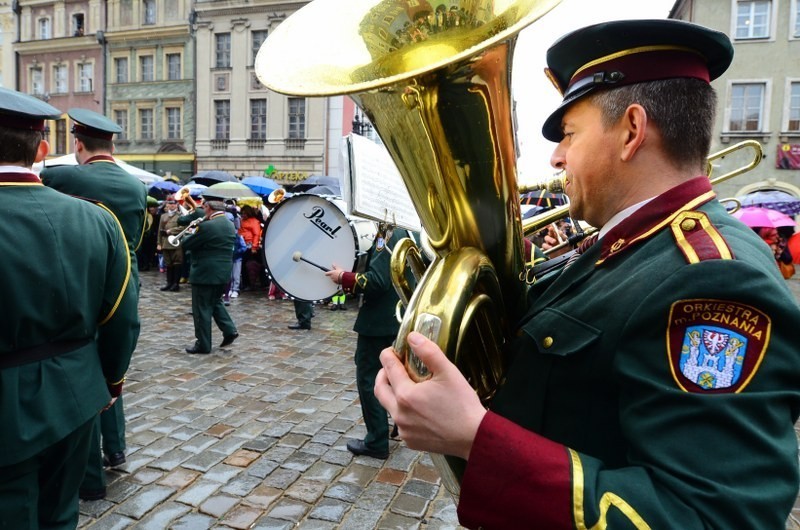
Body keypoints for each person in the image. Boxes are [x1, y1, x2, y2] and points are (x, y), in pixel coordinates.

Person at [374, 19, 800, 529]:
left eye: (569, 135)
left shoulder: (712, 283)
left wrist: (475, 436)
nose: (556, 157)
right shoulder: (628, 247)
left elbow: (710, 516)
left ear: (632, 131)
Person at [0, 88, 138, 527]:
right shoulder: (99, 220)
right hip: (78, 392)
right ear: (42, 150)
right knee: (61, 515)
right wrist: (110, 382)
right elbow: (121, 318)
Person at [41, 107, 147, 501]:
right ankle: (116, 447)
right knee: (111, 372)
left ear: (78, 144)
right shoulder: (137, 186)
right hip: (125, 287)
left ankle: (88, 473)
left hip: (79, 287)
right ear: (113, 144)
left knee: (84, 373)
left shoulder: (63, 176)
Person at [325, 225, 414, 459]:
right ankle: (397, 425)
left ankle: (376, 441)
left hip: (379, 322)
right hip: (397, 318)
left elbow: (377, 281)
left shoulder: (388, 233)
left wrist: (344, 277)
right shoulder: (408, 230)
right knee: (394, 377)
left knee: (369, 379)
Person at [180, 196, 239, 354]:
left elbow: (187, 244)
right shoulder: (229, 224)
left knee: (201, 309)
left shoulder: (207, 226)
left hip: (205, 272)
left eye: (204, 208)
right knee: (215, 302)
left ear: (209, 208)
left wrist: (189, 233)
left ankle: (203, 344)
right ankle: (229, 330)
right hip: (222, 272)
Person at [157, 194, 184, 291]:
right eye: (170, 203)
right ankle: (169, 283)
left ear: (177, 205)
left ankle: (176, 284)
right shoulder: (163, 216)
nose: (172, 205)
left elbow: (183, 228)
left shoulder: (181, 216)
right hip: (165, 243)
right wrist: (159, 243)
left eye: (174, 204)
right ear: (167, 204)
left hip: (176, 243)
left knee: (177, 263)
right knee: (168, 264)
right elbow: (160, 230)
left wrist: (171, 231)